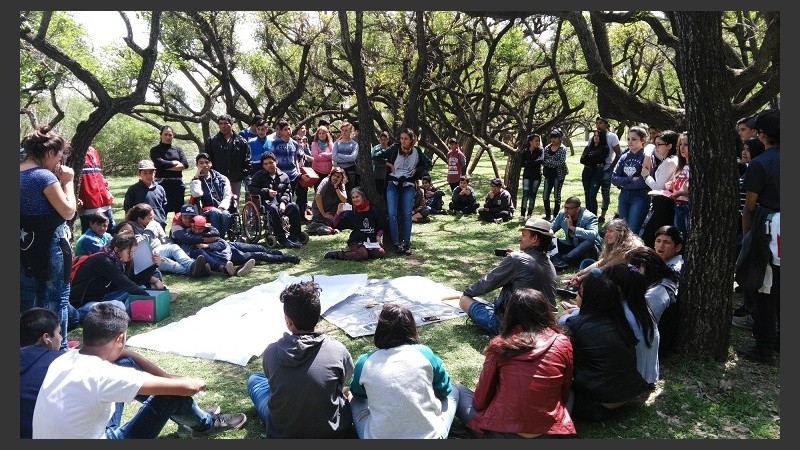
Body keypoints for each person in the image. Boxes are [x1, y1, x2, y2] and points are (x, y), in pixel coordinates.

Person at [32, 303, 246, 439]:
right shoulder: (103, 375)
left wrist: (135, 356)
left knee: (125, 363)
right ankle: (205, 424)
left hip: (87, 431)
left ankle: (193, 420)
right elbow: (188, 387)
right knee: (172, 394)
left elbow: (124, 356)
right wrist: (191, 381)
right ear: (120, 338)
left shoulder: (64, 359)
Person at [454, 288, 575, 439]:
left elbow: (479, 402)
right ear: (545, 311)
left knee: (457, 390)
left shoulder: (500, 344)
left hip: (501, 435)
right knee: (571, 393)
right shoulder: (562, 342)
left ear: (510, 314)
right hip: (550, 435)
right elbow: (565, 391)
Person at [247, 281, 355, 438]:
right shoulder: (337, 350)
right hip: (333, 432)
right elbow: (345, 379)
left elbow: (272, 385)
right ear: (318, 316)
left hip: (284, 433)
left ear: (288, 321)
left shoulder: (270, 352)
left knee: (254, 380)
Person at [349, 303, 459, 439]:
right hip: (431, 437)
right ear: (411, 328)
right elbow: (444, 389)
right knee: (454, 390)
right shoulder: (424, 353)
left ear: (379, 330)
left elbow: (358, 394)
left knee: (356, 401)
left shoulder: (365, 362)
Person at [560, 271, 650, 421]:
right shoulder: (620, 321)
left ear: (589, 299)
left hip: (598, 404)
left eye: (579, 294)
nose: (576, 297)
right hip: (627, 396)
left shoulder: (575, 325)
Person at [20, 125, 76, 351]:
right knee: (58, 298)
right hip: (52, 244)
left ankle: (37, 348)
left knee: (36, 297)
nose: (60, 162)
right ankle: (59, 350)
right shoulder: (43, 176)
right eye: (59, 155)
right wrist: (68, 181)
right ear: (50, 153)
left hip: (27, 245)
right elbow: (69, 211)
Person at [459, 217, 557, 335]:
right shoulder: (549, 262)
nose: (519, 238)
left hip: (514, 329)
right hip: (543, 326)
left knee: (464, 300)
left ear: (535, 239)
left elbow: (487, 283)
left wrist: (467, 293)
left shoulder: (517, 259)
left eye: (523, 235)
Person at [736, 108, 780, 365]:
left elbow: (749, 207)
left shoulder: (760, 164)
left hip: (768, 229)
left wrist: (748, 235)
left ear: (762, 135)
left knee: (766, 287)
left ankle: (764, 348)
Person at [68, 232, 151, 325]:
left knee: (141, 288)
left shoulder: (120, 262)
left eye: (133, 252)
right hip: (82, 305)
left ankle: (135, 312)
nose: (131, 256)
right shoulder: (103, 260)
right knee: (119, 306)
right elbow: (125, 283)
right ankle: (132, 314)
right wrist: (149, 297)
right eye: (128, 252)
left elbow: (133, 282)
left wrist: (153, 266)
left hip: (101, 298)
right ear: (116, 248)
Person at [375, 127, 432, 256]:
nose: (403, 141)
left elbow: (428, 163)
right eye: (401, 138)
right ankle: (395, 244)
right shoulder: (394, 148)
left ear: (412, 140)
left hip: (409, 183)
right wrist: (388, 165)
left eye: (406, 139)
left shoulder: (417, 151)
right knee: (392, 213)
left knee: (407, 214)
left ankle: (406, 243)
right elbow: (376, 156)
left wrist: (417, 170)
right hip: (393, 183)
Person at [604, 264, 660, 386]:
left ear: (617, 289)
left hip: (632, 383)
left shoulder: (620, 313)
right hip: (648, 378)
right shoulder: (642, 307)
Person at [731, 135, 765, 326]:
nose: (744, 152)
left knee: (748, 268)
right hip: (739, 225)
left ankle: (750, 309)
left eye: (749, 149)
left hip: (748, 228)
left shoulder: (757, 170)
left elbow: (750, 206)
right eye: (743, 148)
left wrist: (747, 233)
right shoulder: (747, 169)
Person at [126, 202, 210, 278]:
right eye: (150, 218)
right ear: (140, 219)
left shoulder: (154, 223)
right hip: (144, 256)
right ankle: (195, 268)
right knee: (163, 261)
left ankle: (193, 267)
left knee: (171, 249)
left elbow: (165, 239)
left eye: (153, 217)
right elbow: (141, 245)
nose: (152, 220)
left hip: (158, 251)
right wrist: (150, 229)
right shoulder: (131, 227)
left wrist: (172, 254)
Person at [626, 246, 680, 356]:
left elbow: (642, 328)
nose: (629, 272)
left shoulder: (656, 294)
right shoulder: (658, 282)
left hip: (651, 348)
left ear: (644, 267)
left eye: (632, 268)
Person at [565, 218, 645, 291]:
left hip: (625, 281)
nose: (607, 235)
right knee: (586, 263)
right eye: (606, 231)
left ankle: (581, 286)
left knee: (595, 272)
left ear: (621, 233)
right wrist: (579, 274)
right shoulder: (615, 243)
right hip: (610, 271)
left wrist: (580, 278)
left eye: (610, 231)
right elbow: (601, 262)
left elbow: (606, 267)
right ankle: (582, 285)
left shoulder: (629, 249)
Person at [20, 308, 65, 439]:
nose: (61, 338)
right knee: (124, 362)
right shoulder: (62, 361)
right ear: (46, 338)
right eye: (58, 333)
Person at [248, 152, 304, 248]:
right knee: (273, 209)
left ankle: (294, 236)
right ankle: (281, 238)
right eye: (265, 164)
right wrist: (266, 191)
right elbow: (251, 189)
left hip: (281, 202)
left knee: (294, 207)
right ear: (263, 165)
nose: (269, 165)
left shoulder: (284, 176)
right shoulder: (259, 175)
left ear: (276, 162)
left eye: (271, 162)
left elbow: (288, 191)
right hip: (266, 203)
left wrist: (283, 202)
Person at [171, 215, 254, 276]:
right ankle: (232, 269)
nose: (196, 230)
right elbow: (185, 246)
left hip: (222, 251)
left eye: (200, 228)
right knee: (200, 253)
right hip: (203, 255)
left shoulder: (207, 230)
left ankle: (235, 269)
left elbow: (221, 242)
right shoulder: (182, 232)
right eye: (194, 228)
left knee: (252, 252)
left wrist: (207, 244)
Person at [640, 130, 679, 248]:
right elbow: (650, 146)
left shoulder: (670, 161)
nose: (656, 147)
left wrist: (646, 176)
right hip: (662, 203)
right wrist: (647, 156)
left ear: (669, 146)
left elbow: (659, 187)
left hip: (663, 203)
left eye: (659, 145)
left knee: (649, 237)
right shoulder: (667, 159)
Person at [325, 187, 387, 261]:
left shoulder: (373, 209)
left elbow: (381, 225)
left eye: (357, 197)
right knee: (363, 255)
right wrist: (338, 213)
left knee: (381, 252)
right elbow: (336, 225)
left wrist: (378, 236)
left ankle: (359, 253)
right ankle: (338, 254)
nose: (355, 199)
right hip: (356, 240)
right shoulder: (351, 212)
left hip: (370, 241)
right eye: (353, 197)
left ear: (363, 197)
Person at [612, 126, 651, 236]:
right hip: (624, 195)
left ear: (643, 140)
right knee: (623, 230)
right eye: (628, 139)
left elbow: (643, 181)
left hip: (640, 196)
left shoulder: (647, 156)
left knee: (633, 231)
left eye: (634, 139)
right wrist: (629, 179)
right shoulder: (624, 157)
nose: (630, 142)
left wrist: (624, 183)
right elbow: (614, 179)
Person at [204, 113, 251, 203]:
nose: (223, 126)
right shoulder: (211, 141)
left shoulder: (242, 141)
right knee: (220, 201)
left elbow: (247, 159)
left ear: (231, 124)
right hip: (218, 178)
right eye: (220, 124)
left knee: (234, 201)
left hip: (236, 178)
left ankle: (234, 217)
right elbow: (207, 159)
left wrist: (243, 173)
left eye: (226, 123)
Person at [71, 142, 115, 234]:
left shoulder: (93, 151)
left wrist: (106, 191)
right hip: (88, 206)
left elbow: (99, 175)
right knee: (91, 238)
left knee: (111, 235)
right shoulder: (72, 152)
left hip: (105, 204)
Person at [549, 196, 602, 271]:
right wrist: (547, 233)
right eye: (565, 207)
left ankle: (563, 259)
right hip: (571, 246)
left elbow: (593, 235)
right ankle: (556, 260)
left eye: (569, 208)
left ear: (577, 209)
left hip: (587, 250)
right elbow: (552, 228)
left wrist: (572, 227)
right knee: (549, 238)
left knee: (589, 242)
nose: (566, 211)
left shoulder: (589, 217)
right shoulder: (562, 214)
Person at [190, 152, 233, 238]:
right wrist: (196, 178)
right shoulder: (195, 180)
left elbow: (227, 196)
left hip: (221, 208)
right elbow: (196, 194)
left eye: (206, 162)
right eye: (201, 163)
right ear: (197, 165)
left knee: (226, 214)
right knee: (214, 213)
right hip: (205, 210)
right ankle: (215, 238)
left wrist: (221, 208)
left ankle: (220, 238)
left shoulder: (222, 178)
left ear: (211, 164)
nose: (204, 165)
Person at [149, 125, 189, 217]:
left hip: (177, 185)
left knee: (179, 213)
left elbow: (185, 164)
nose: (167, 137)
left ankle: (177, 231)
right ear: (161, 135)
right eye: (165, 134)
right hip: (161, 185)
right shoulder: (155, 150)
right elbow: (158, 163)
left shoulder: (178, 150)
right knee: (162, 211)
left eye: (170, 135)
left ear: (173, 136)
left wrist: (164, 165)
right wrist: (174, 162)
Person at [123, 159, 168, 230]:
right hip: (141, 227)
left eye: (151, 172)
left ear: (155, 173)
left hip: (159, 225)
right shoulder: (133, 190)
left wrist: (161, 220)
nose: (149, 175)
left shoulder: (160, 188)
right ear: (139, 173)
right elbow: (128, 210)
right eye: (145, 173)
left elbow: (164, 206)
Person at [271, 119, 304, 208]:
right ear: (281, 131)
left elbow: (296, 159)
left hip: (293, 175)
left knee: (290, 195)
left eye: (289, 129)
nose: (288, 131)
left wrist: (298, 172)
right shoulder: (275, 143)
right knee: (280, 196)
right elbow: (272, 159)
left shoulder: (294, 143)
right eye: (285, 129)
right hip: (280, 175)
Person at [595, 117, 622, 224]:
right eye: (597, 123)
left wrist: (611, 167)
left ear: (606, 124)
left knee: (605, 193)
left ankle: (602, 215)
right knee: (593, 193)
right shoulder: (596, 135)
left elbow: (619, 153)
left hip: (607, 169)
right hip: (595, 169)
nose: (598, 125)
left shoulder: (612, 136)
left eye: (601, 123)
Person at [664, 131, 691, 237]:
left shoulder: (696, 167)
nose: (682, 148)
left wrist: (682, 192)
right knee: (680, 237)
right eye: (680, 144)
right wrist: (672, 185)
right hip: (678, 206)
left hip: (688, 207)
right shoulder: (681, 166)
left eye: (686, 144)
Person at [308, 167, 348, 236]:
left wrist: (336, 187)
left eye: (338, 177)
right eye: (334, 175)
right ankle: (319, 227)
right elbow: (318, 197)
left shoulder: (341, 185)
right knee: (330, 222)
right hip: (321, 210)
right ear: (331, 175)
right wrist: (323, 213)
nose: (335, 178)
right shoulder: (325, 181)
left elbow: (344, 200)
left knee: (344, 215)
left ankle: (326, 228)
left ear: (341, 178)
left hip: (332, 209)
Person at [580, 129, 611, 215]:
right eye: (595, 135)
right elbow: (582, 160)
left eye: (598, 136)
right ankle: (587, 215)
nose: (596, 137)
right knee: (587, 193)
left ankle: (593, 215)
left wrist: (590, 159)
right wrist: (593, 161)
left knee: (592, 194)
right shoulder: (588, 147)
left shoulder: (604, 148)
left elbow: (600, 159)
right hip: (586, 171)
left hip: (597, 172)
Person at [541, 128, 568, 221]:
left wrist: (549, 162)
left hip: (558, 174)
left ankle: (556, 215)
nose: (553, 139)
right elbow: (543, 161)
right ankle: (547, 215)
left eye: (555, 137)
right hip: (548, 174)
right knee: (545, 195)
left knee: (557, 195)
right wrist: (551, 162)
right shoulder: (547, 147)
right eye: (552, 137)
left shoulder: (562, 149)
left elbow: (561, 162)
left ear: (560, 138)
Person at [519, 132, 544, 220]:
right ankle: (522, 214)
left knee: (532, 195)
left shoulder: (540, 151)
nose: (538, 142)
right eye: (536, 141)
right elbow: (522, 164)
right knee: (525, 194)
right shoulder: (525, 151)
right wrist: (533, 162)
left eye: (538, 141)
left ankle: (529, 214)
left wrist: (528, 162)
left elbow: (541, 161)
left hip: (536, 176)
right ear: (530, 142)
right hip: (527, 176)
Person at [332, 121, 360, 196]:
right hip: (338, 171)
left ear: (351, 131)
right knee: (338, 191)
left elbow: (353, 157)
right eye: (342, 130)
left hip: (351, 171)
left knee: (350, 192)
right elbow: (334, 157)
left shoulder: (354, 144)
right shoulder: (336, 143)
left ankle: (350, 207)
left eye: (346, 130)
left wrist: (339, 155)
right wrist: (346, 158)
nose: (344, 132)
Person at [294, 127, 314, 221]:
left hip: (304, 174)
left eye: (301, 140)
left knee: (303, 195)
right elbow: (296, 161)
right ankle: (297, 215)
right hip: (297, 175)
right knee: (298, 195)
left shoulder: (302, 149)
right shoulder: (294, 150)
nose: (300, 142)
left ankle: (303, 214)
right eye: (298, 140)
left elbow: (306, 159)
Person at [311, 125, 335, 191]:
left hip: (328, 172)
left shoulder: (330, 144)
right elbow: (316, 157)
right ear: (317, 134)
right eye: (320, 133)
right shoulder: (314, 144)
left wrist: (323, 154)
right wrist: (328, 157)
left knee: (327, 191)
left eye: (323, 133)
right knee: (318, 190)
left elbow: (333, 155)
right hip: (317, 171)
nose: (321, 135)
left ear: (326, 134)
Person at [371, 130, 391, 200]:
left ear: (387, 140)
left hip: (385, 175)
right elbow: (373, 161)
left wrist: (383, 162)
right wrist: (385, 163)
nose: (383, 141)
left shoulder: (390, 150)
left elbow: (390, 162)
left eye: (385, 140)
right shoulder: (376, 149)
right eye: (381, 140)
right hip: (376, 175)